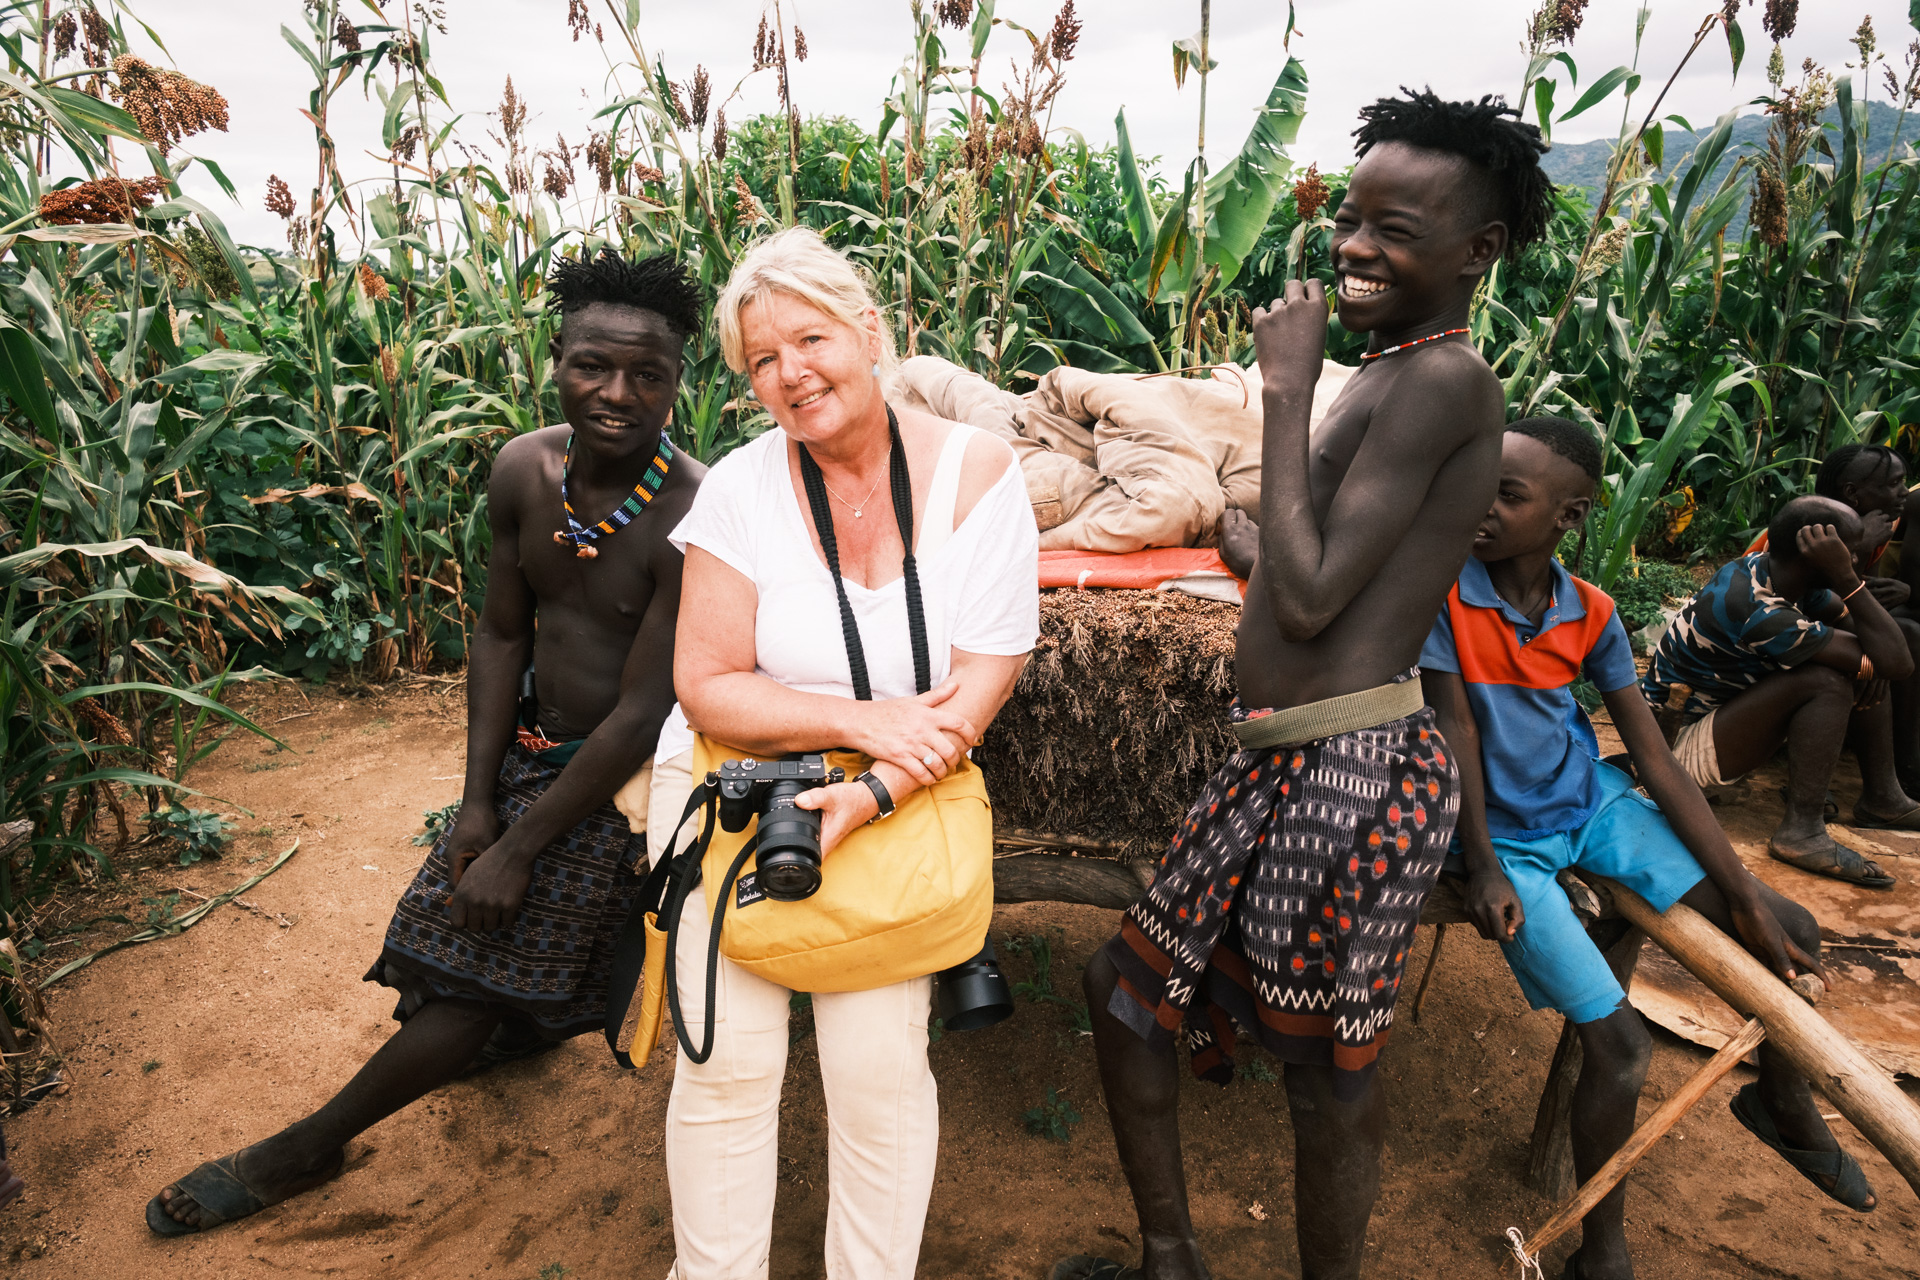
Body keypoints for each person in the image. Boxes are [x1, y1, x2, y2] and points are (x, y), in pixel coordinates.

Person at [1057, 87, 1551, 1280]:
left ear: (1480, 250)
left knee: (1326, 1067)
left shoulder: (1444, 382)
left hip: (1354, 764)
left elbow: (1320, 594)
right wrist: (1252, 536)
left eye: (1398, 229)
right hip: (1284, 756)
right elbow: (1307, 562)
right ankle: (1171, 1255)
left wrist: (1287, 388)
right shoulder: (1394, 377)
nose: (1356, 247)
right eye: (1354, 217)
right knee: (1128, 996)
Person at [146, 249, 706, 1234]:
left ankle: (303, 1146)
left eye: (647, 374)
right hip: (530, 752)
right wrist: (481, 800)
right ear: (556, 358)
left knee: (480, 950)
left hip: (627, 778)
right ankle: (515, 1011)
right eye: (592, 365)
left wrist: (521, 844)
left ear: (677, 381)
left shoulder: (693, 511)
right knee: (447, 928)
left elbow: (642, 709)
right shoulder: (525, 472)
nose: (616, 393)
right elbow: (499, 635)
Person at [662, 226, 1038, 1279]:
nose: (792, 373)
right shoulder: (740, 487)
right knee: (726, 1060)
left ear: (871, 331)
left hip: (899, 784)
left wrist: (876, 783)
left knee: (874, 1064)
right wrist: (864, 723)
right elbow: (707, 683)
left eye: (811, 338)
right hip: (735, 772)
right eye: (763, 361)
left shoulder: (978, 472)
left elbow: (982, 678)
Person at [1424, 418, 1871, 1280]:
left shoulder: (1588, 611)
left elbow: (1657, 758)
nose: (1482, 503)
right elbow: (1454, 732)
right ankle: (1604, 1249)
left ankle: (1778, 1099)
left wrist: (1742, 889)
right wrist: (1479, 862)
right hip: (1508, 843)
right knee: (1623, 1047)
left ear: (1571, 515)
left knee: (1789, 922)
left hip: (1591, 801)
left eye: (1508, 493)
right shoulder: (1445, 594)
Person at [1642, 494, 1909, 889]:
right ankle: (1801, 832)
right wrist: (1851, 585)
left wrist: (1871, 660)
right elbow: (1898, 662)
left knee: (1859, 662)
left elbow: (1880, 649)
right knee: (1827, 681)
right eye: (1847, 553)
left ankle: (1884, 799)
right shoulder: (1757, 609)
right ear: (1813, 555)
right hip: (1673, 755)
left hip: (1717, 722)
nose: (1853, 561)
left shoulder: (1771, 571)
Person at [1745, 445, 1920, 793]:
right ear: (1853, 493)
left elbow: (1831, 598)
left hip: (1817, 620)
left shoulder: (1886, 521)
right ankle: (1895, 781)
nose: (1904, 492)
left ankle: (1899, 778)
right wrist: (1861, 548)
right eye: (1894, 483)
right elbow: (1792, 600)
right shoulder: (1809, 527)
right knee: (1883, 652)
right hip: (1769, 636)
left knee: (1900, 638)